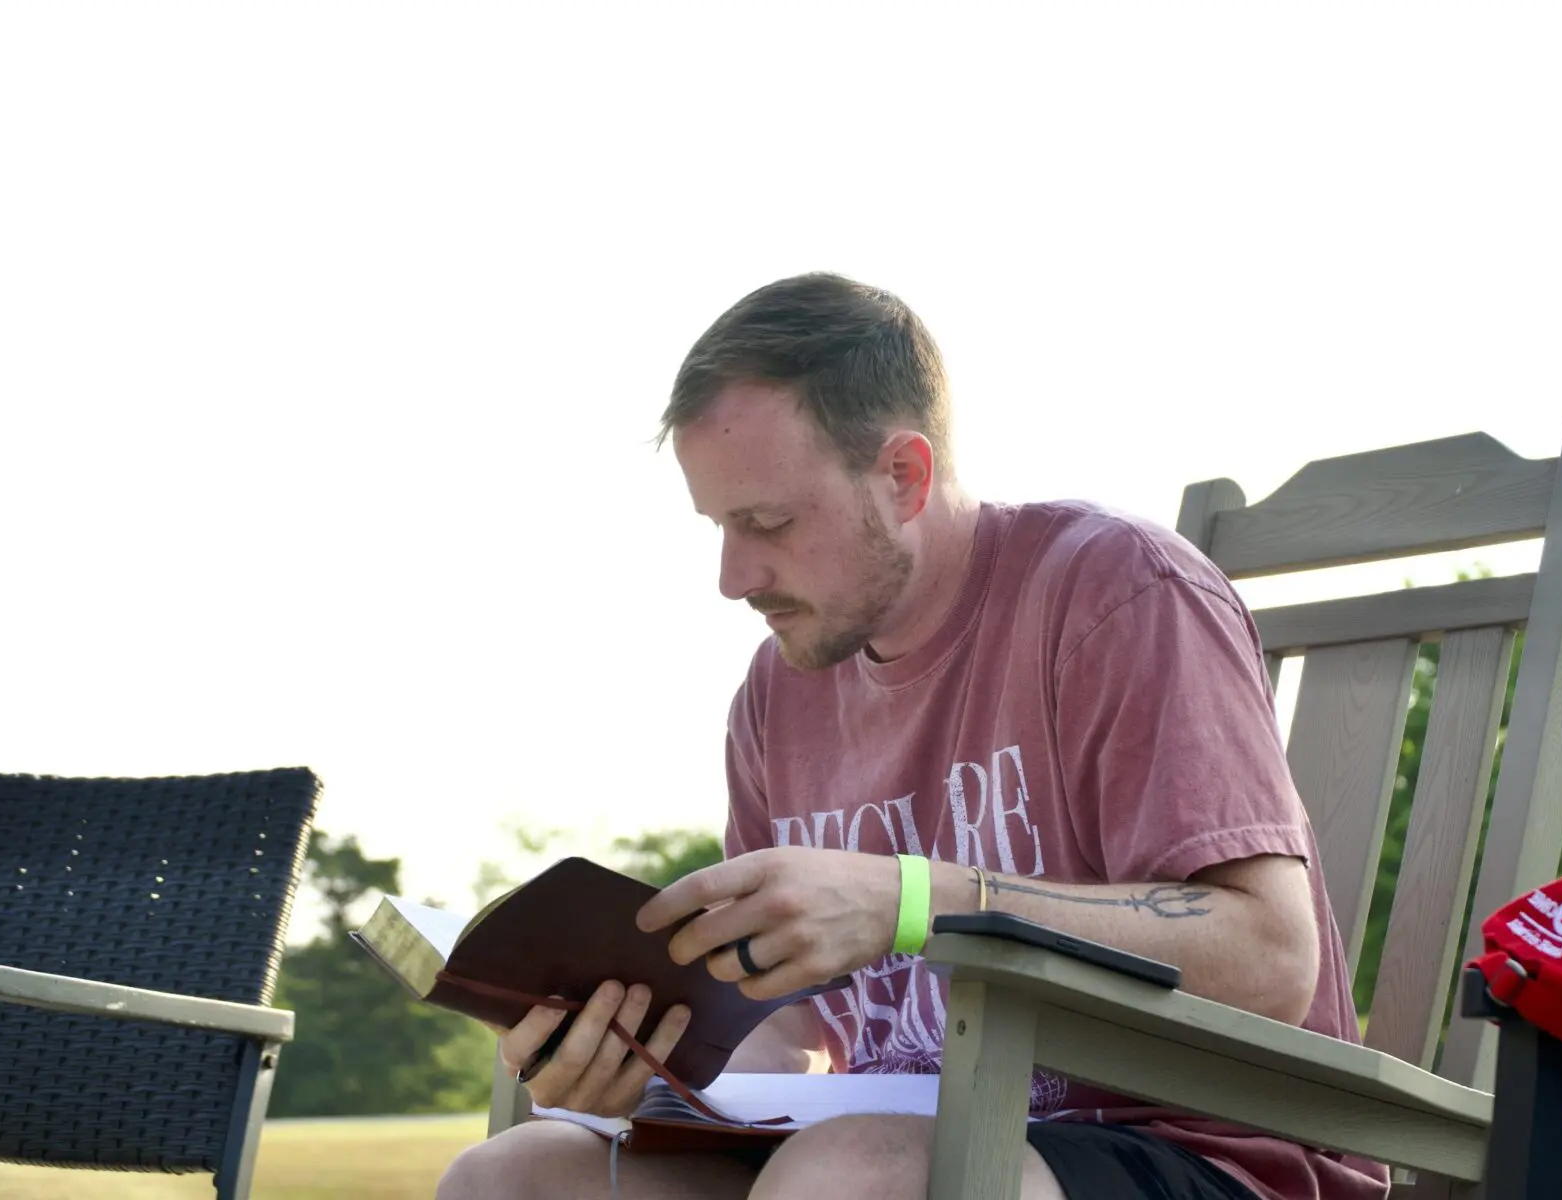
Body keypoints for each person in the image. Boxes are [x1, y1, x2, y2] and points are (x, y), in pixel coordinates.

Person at [437, 274, 1392, 1200]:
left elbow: (1269, 957)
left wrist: (915, 900)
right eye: (721, 525)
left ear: (903, 474)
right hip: (883, 1143)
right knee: (511, 1177)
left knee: (852, 1173)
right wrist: (643, 1068)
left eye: (767, 521)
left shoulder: (1116, 593)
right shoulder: (778, 691)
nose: (734, 576)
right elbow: (793, 1029)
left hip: (1189, 1153)